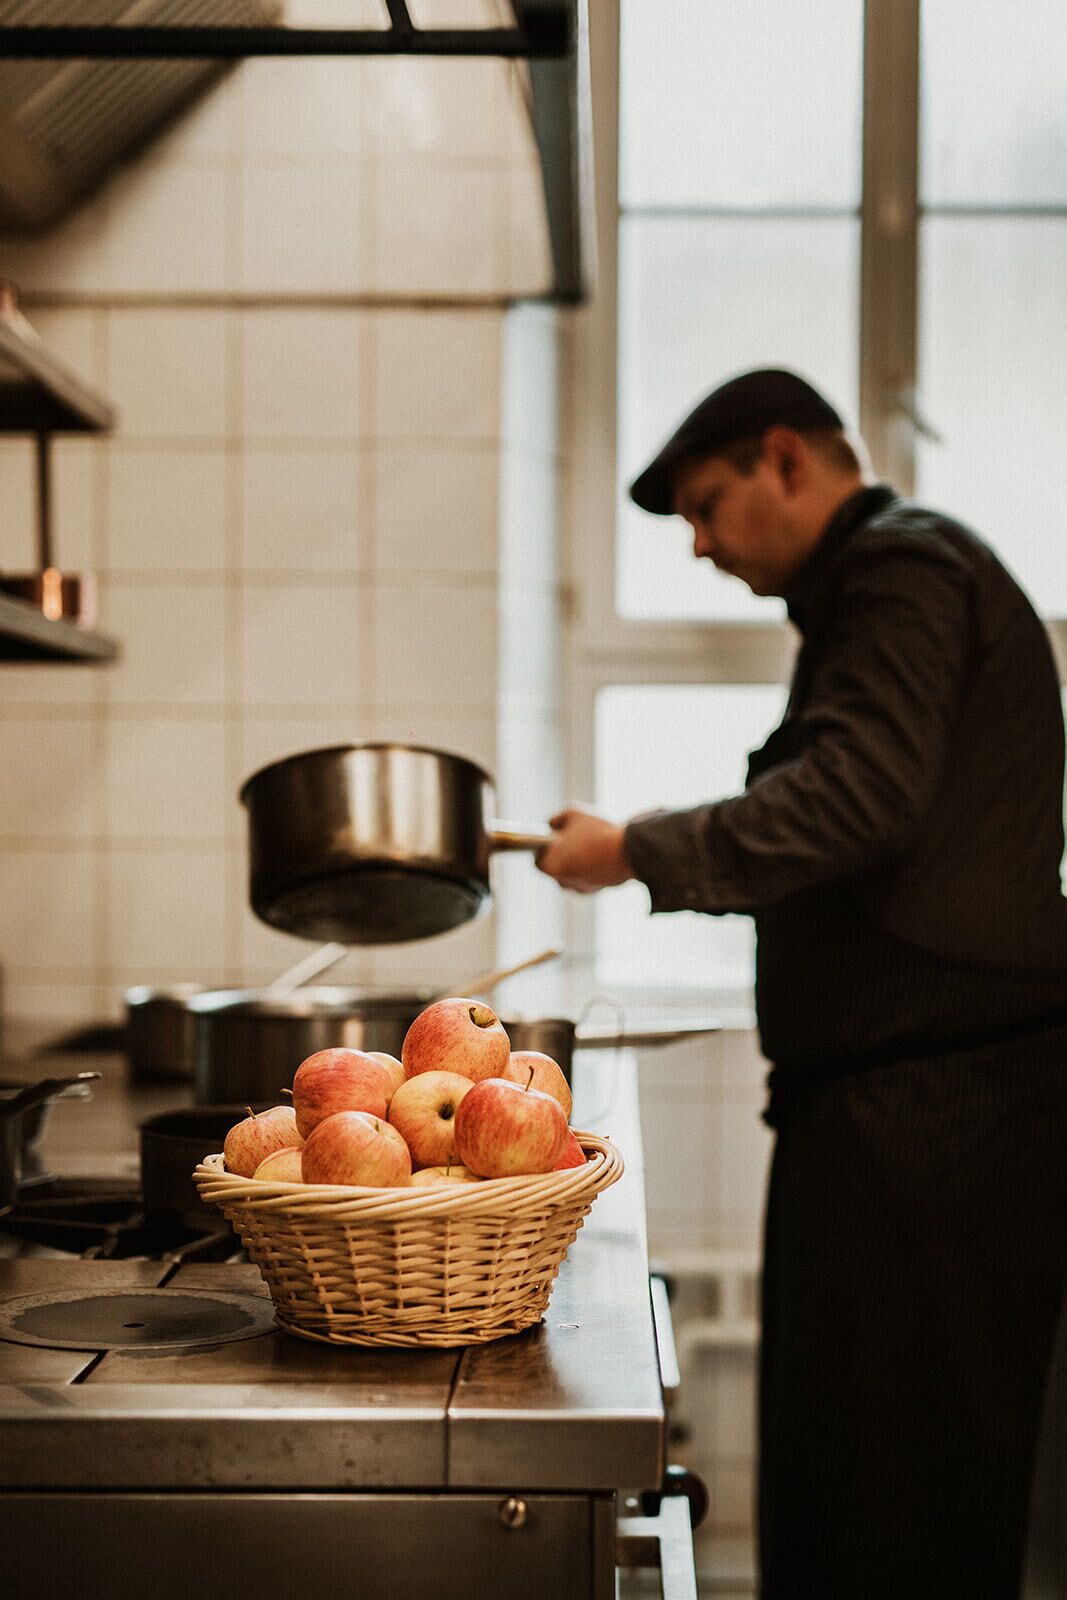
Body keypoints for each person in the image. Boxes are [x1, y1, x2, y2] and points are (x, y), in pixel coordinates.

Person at [535, 368, 1067, 1599]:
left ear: (786, 457)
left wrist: (634, 849)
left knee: (900, 1506)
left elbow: (853, 798)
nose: (703, 545)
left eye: (709, 507)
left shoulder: (902, 570)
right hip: (903, 1122)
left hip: (940, 1129)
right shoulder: (875, 591)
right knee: (864, 1486)